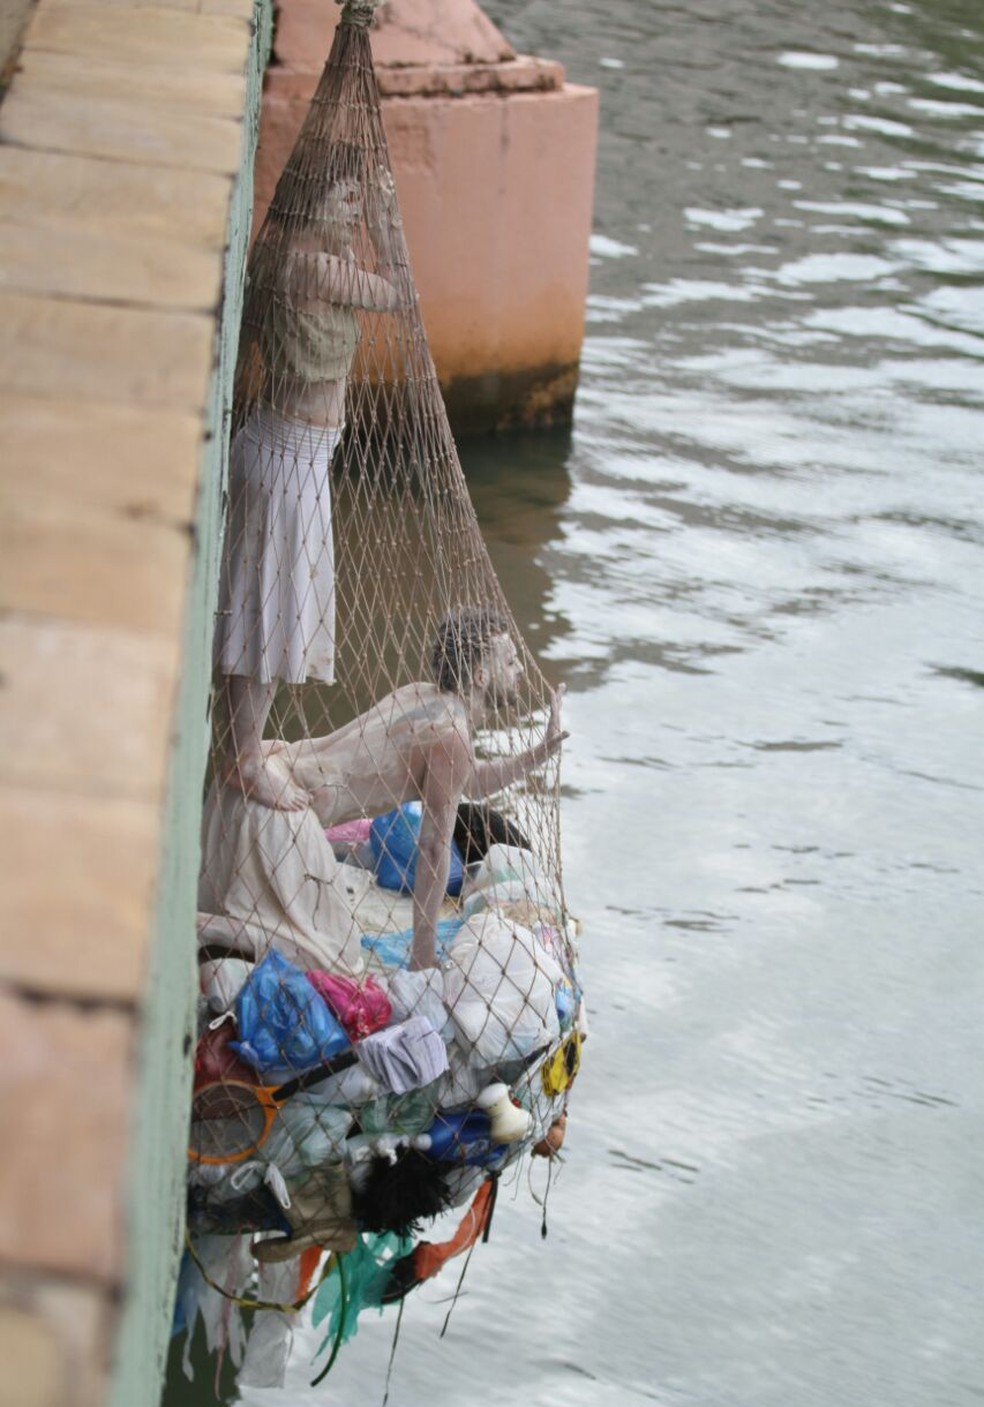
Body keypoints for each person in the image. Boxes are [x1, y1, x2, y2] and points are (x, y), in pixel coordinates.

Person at [214, 146, 402, 812]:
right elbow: (402, 293)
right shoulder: (313, 266)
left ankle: (238, 747)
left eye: (359, 201)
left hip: (282, 451)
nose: (352, 214)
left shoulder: (282, 256)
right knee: (270, 615)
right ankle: (242, 758)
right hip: (290, 461)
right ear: (313, 199)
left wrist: (360, 219)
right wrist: (385, 215)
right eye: (344, 200)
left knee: (255, 606)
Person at [251, 606, 568, 970]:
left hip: (272, 764)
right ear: (480, 676)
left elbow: (473, 782)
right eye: (511, 663)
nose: (521, 671)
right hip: (286, 814)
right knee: (334, 955)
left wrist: (541, 752)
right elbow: (433, 848)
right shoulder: (454, 736)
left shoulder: (422, 695)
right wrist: (423, 954)